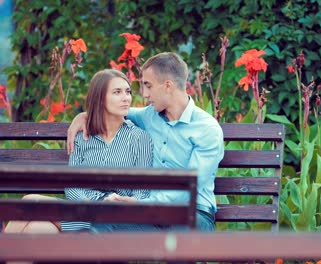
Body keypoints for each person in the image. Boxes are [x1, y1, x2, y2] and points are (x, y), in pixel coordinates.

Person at [67, 52, 224, 231]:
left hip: (193, 214)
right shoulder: (149, 115)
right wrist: (83, 116)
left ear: (167, 86)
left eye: (148, 86)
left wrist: (142, 204)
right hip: (150, 215)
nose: (145, 94)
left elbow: (189, 188)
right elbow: (114, 110)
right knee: (103, 223)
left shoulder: (207, 129)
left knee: (178, 241)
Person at [4, 69, 154, 234]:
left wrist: (120, 201)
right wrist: (94, 203)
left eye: (128, 92)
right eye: (117, 92)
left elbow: (142, 194)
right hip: (84, 213)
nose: (126, 98)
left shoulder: (140, 138)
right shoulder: (83, 137)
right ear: (100, 99)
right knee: (35, 229)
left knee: (30, 201)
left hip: (118, 219)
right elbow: (72, 186)